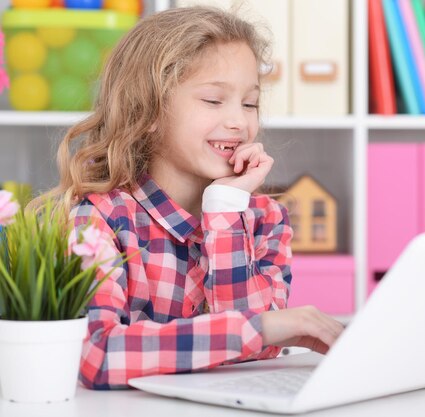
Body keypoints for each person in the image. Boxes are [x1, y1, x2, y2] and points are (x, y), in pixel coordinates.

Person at [39, 6, 344, 390]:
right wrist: (264, 327)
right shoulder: (101, 218)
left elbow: (250, 349)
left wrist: (224, 213)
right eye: (214, 100)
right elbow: (96, 355)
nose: (239, 121)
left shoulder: (266, 219)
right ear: (148, 110)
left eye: (249, 103)